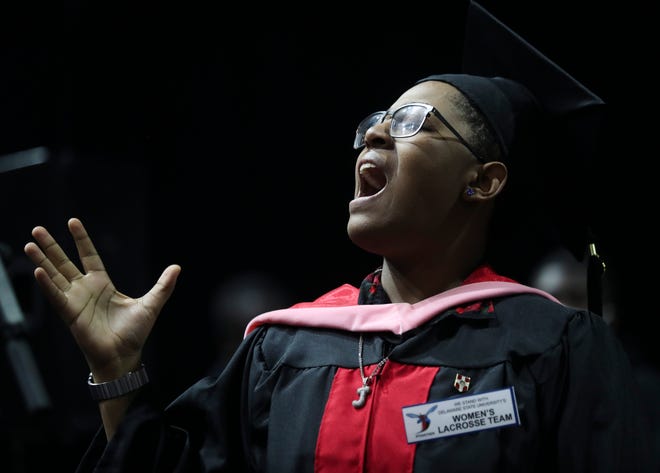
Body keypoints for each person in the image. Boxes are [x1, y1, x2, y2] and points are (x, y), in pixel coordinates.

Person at [22, 2, 653, 472]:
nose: (375, 135)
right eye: (375, 122)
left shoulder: (556, 349)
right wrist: (118, 371)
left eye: (411, 123)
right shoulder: (285, 349)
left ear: (483, 182)